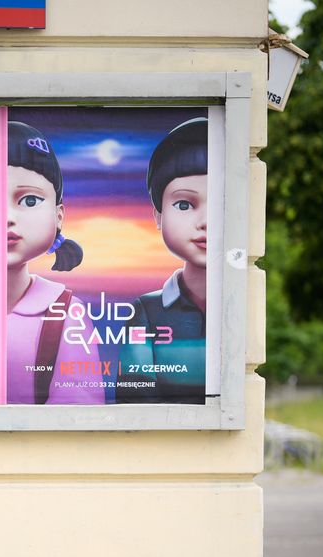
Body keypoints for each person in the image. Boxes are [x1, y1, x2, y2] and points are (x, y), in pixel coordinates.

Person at [5, 121, 104, 404]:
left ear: (59, 216)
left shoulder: (64, 309)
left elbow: (80, 409)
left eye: (29, 200)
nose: (5, 217)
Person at [117, 118, 208, 403]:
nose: (206, 222)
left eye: (222, 203)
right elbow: (135, 398)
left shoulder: (241, 300)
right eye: (184, 205)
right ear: (158, 215)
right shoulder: (145, 311)